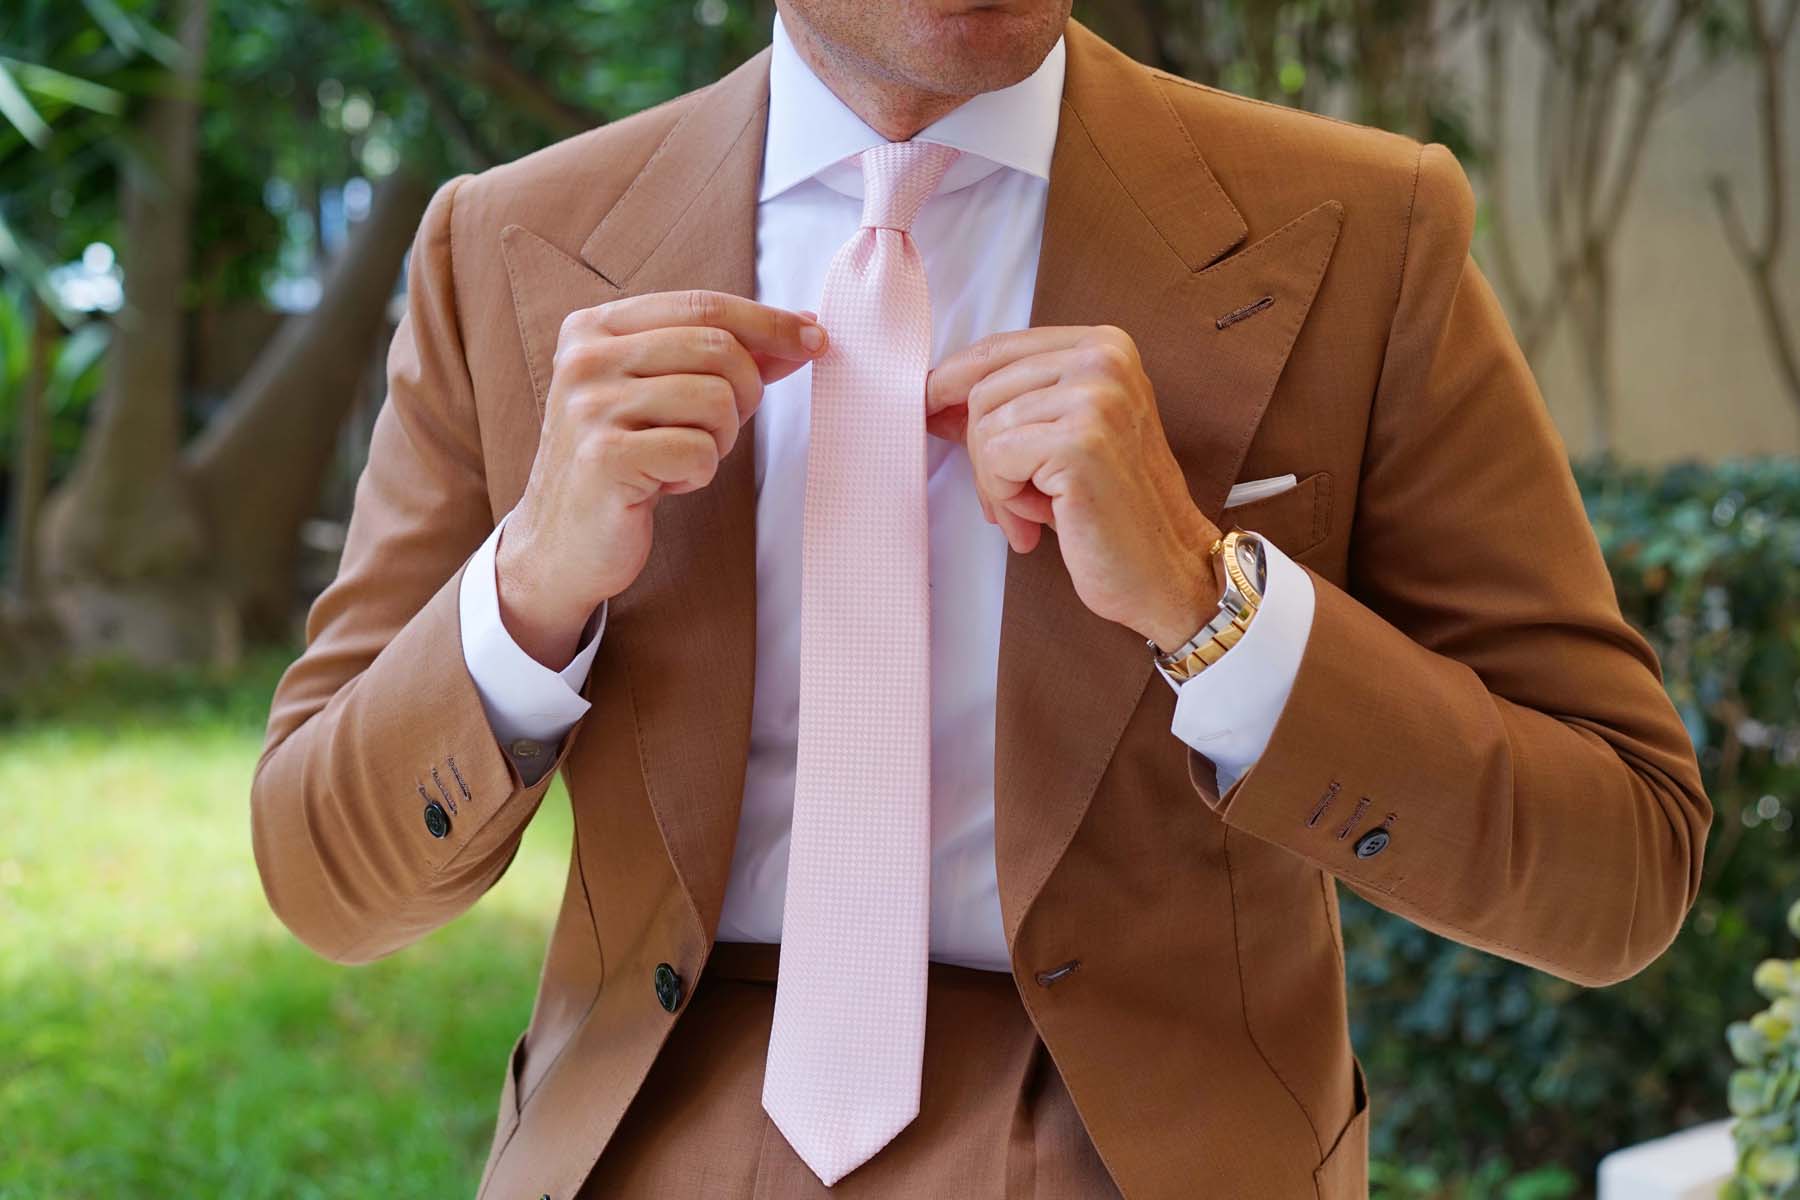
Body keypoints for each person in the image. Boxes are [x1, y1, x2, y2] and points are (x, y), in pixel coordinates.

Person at [249, 2, 1713, 1196]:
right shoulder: (505, 244)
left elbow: (1620, 866)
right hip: (644, 1133)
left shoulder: (1363, 228)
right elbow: (325, 875)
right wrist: (525, 592)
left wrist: (1216, 609)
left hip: (1143, 1147)